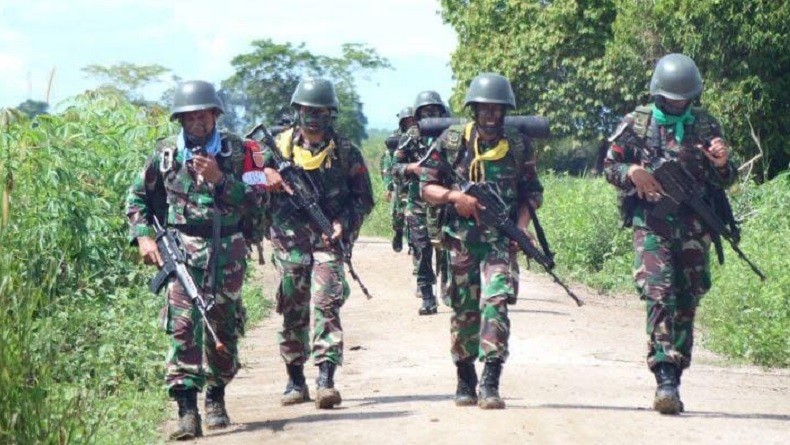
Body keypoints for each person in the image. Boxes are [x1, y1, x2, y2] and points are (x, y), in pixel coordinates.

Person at [126, 80, 263, 440]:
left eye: (204, 115)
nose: (198, 122)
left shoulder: (240, 151)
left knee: (223, 326)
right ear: (181, 120)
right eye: (190, 117)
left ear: (215, 115)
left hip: (228, 251)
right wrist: (143, 236)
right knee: (182, 327)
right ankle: (187, 411)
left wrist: (221, 181)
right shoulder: (166, 154)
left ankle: (216, 396)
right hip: (183, 249)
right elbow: (137, 199)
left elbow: (261, 200)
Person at [603, 53, 737, 415]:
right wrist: (632, 171)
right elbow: (609, 165)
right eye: (671, 99)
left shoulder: (707, 126)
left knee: (687, 299)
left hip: (694, 226)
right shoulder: (637, 123)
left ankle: (676, 371)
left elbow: (726, 179)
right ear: (658, 94)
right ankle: (663, 375)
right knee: (659, 292)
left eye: (684, 99)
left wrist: (723, 163)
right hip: (653, 223)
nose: (678, 105)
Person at [420, 73, 544, 409]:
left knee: (497, 303)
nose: (491, 115)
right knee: (463, 310)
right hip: (461, 240)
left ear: (505, 112)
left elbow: (532, 194)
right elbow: (426, 186)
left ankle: (490, 380)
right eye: (484, 109)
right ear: (474, 110)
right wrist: (454, 197)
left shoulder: (517, 145)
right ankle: (465, 376)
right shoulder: (452, 141)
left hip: (500, 242)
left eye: (497, 109)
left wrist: (520, 227)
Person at [260, 77, 374, 409]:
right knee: (293, 306)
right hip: (289, 239)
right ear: (297, 111)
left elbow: (363, 199)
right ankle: (295, 379)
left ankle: (326, 380)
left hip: (328, 240)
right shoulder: (275, 148)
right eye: (307, 111)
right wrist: (267, 177)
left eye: (320, 112)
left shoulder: (345, 152)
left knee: (326, 303)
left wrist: (343, 223)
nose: (312, 118)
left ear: (330, 115)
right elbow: (242, 178)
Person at [392, 91, 449, 315]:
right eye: (426, 112)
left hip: (445, 201)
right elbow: (394, 169)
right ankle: (427, 295)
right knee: (423, 249)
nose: (431, 115)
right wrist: (411, 168)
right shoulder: (411, 136)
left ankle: (449, 288)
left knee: (448, 248)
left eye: (435, 111)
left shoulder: (451, 135)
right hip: (417, 203)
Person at [380, 107, 415, 252]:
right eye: (407, 121)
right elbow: (390, 164)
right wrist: (388, 186)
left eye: (413, 120)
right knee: (398, 213)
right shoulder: (395, 140)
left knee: (412, 214)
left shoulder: (421, 135)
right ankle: (398, 232)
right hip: (399, 180)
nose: (410, 123)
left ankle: (414, 244)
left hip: (415, 180)